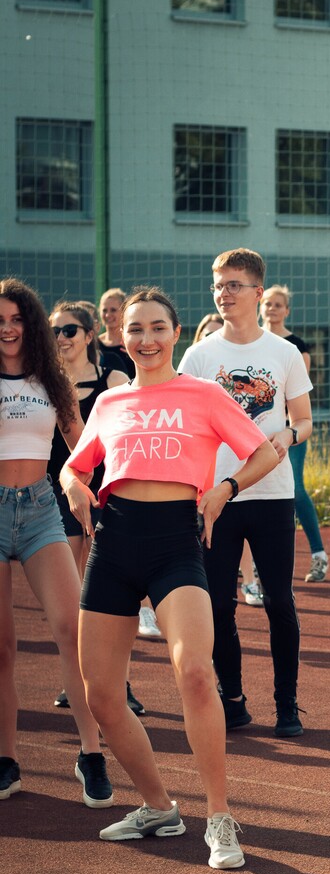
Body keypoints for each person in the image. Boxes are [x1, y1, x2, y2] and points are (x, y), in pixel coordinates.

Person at [60, 287, 279, 868]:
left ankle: (220, 818)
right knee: (101, 694)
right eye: (135, 329)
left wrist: (224, 490)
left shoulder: (204, 394)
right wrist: (75, 487)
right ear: (121, 337)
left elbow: (264, 452)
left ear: (176, 334)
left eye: (158, 327)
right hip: (115, 541)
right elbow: (74, 466)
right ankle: (158, 806)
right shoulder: (111, 403)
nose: (146, 339)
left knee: (196, 672)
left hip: (177, 541)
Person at [178, 249, 313, 738]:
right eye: (218, 285)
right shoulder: (199, 355)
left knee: (279, 601)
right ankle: (232, 699)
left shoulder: (284, 352)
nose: (223, 293)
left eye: (233, 285)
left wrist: (289, 435)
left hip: (272, 494)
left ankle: (287, 704)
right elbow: (187, 425)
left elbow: (304, 420)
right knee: (218, 605)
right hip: (215, 497)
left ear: (258, 292)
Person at [0, 278, 114, 806]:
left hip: (42, 510)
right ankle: (7, 758)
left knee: (73, 629)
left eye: (17, 319)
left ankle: (91, 753)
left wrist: (83, 485)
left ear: (32, 324)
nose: (8, 328)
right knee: (2, 646)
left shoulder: (52, 380)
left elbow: (83, 445)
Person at [47, 301, 144, 717]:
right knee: (71, 593)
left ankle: (121, 683)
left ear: (89, 335)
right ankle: (77, 680)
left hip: (107, 492)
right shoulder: (43, 382)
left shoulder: (114, 379)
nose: (61, 338)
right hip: (59, 493)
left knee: (110, 592)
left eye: (69, 330)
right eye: (54, 331)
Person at [260, 284, 328, 584]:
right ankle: (255, 566)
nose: (272, 308)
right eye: (268, 303)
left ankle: (319, 555)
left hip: (288, 431)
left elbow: (295, 393)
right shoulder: (252, 341)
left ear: (286, 310)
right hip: (256, 432)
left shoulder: (296, 347)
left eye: (278, 304)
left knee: (296, 490)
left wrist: (287, 430)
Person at [95, 287, 135, 377]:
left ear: (124, 311)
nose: (108, 315)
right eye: (104, 310)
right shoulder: (94, 344)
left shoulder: (132, 341)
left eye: (113, 310)